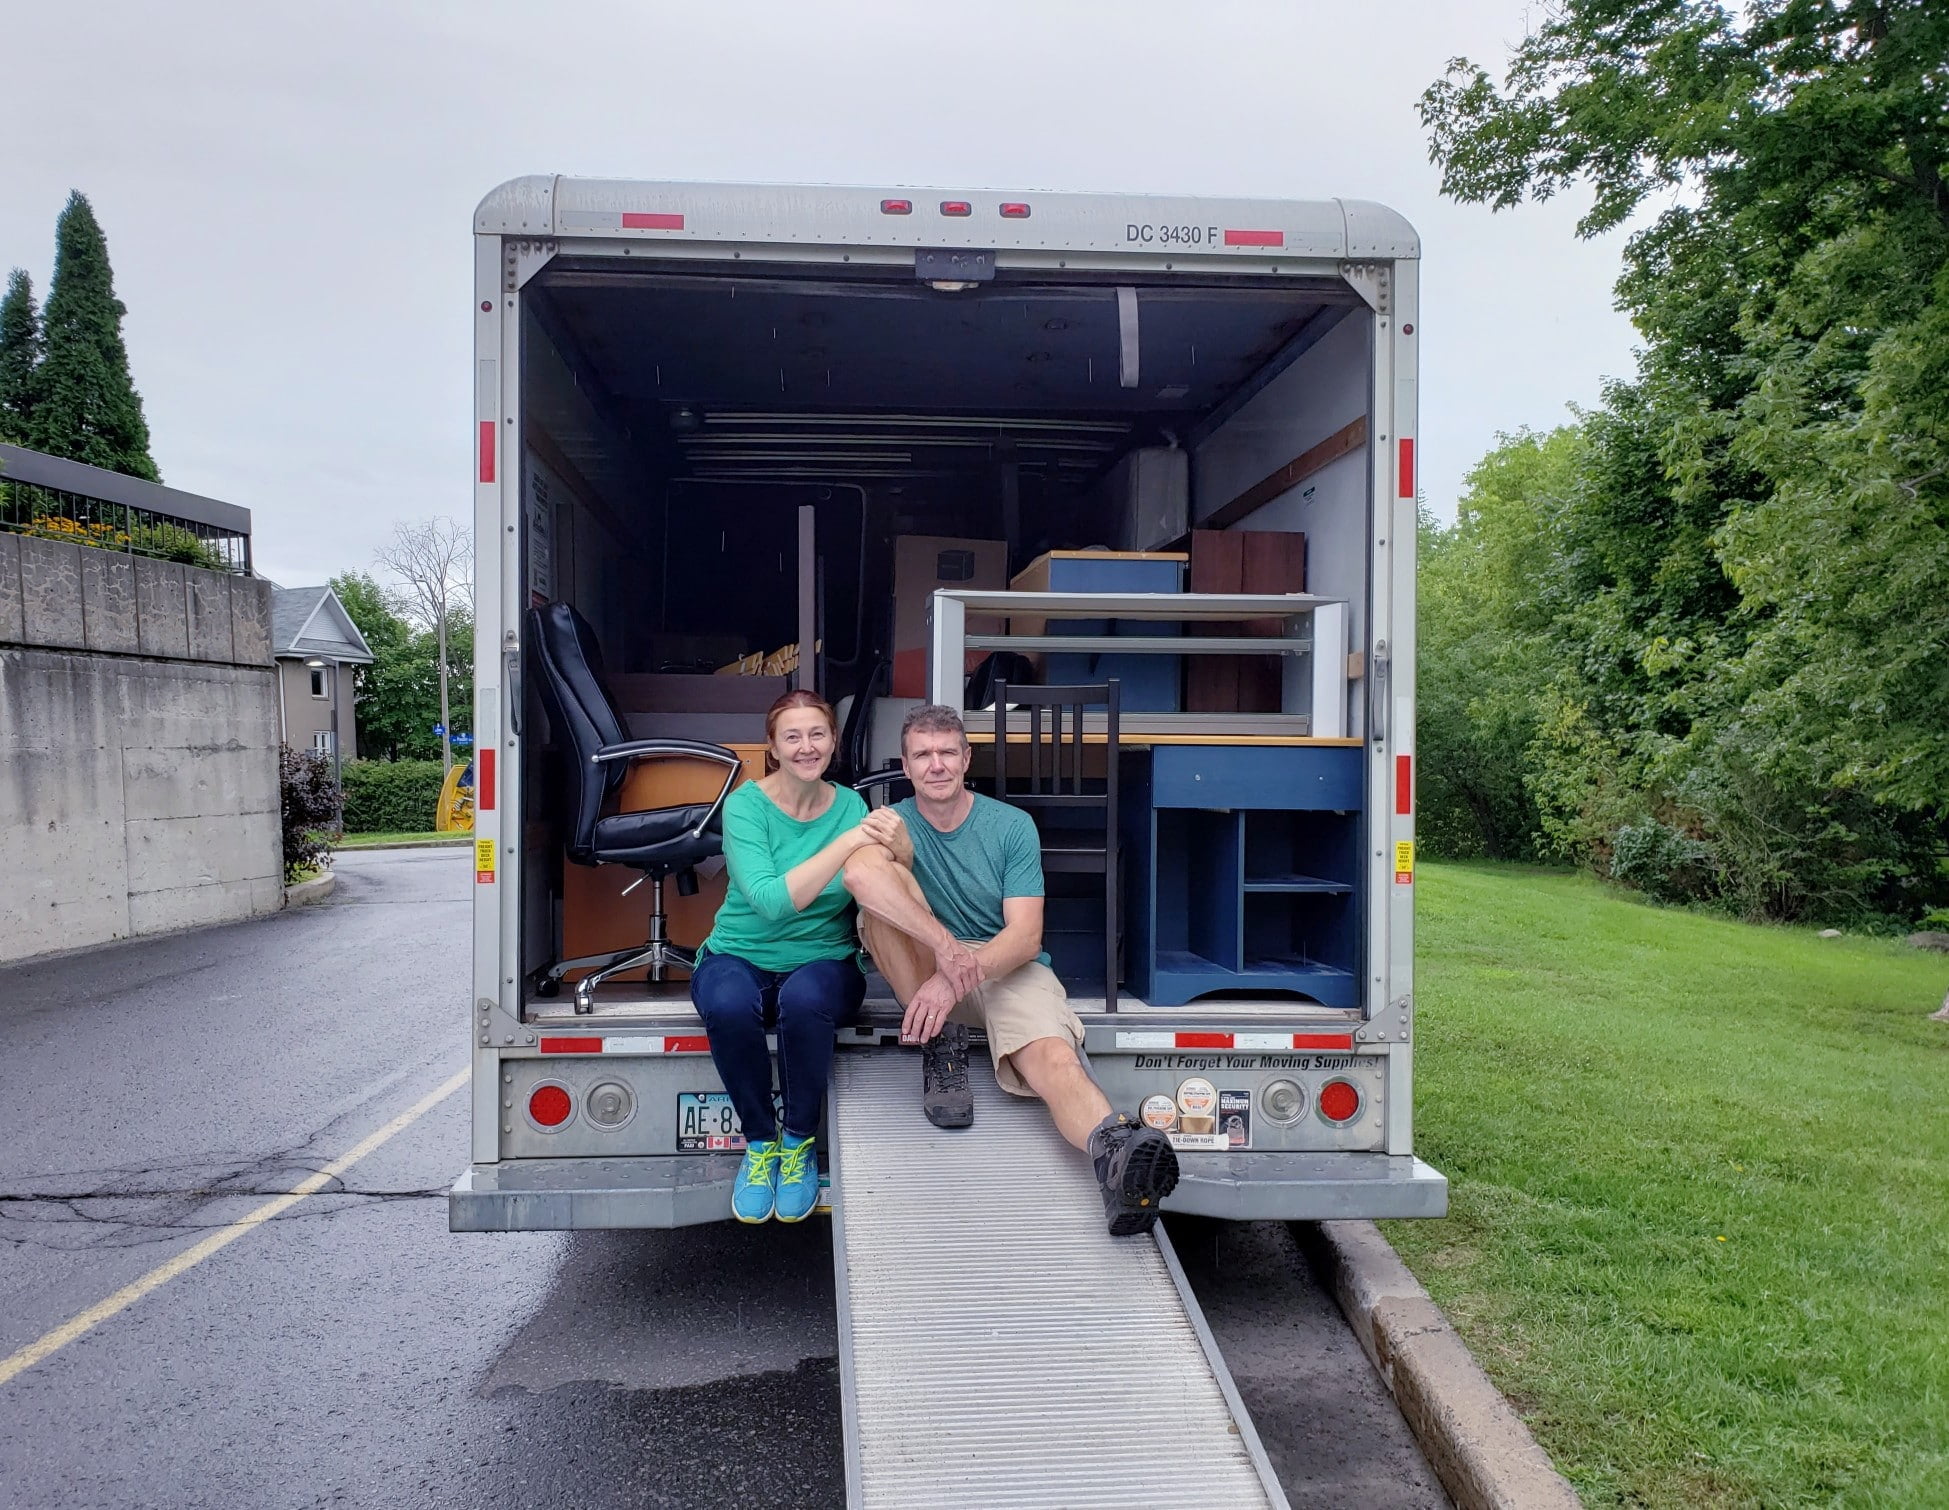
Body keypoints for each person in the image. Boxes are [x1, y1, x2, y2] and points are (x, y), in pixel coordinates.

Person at [842, 704, 1179, 1237]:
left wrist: (958, 970)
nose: (936, 765)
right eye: (923, 755)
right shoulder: (892, 823)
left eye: (947, 752)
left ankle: (1114, 1153)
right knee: (876, 911)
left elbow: (1024, 936)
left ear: (966, 758)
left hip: (1002, 961)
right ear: (904, 766)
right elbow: (859, 875)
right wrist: (942, 953)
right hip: (929, 964)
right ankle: (942, 1043)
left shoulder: (1010, 825)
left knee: (1053, 1055)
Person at [691, 690, 876, 1224]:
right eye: (791, 736)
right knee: (727, 1003)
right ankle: (759, 1144)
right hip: (739, 951)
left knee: (803, 999)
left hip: (825, 958)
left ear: (833, 741)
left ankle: (797, 1144)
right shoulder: (745, 806)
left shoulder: (852, 807)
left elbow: (875, 886)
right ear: (772, 746)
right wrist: (846, 845)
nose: (806, 746)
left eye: (817, 733)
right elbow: (771, 902)